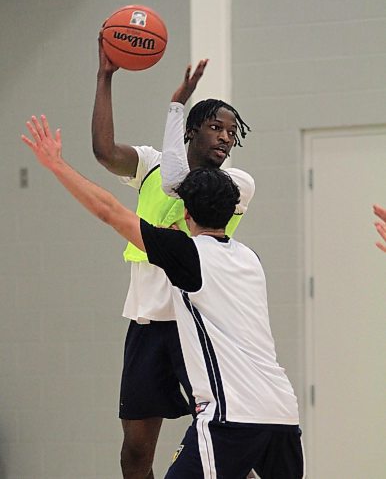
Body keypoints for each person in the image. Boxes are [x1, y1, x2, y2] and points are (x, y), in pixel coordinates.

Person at [21, 117, 304, 478]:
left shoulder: (187, 256)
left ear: (186, 215)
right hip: (282, 411)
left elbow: (109, 210)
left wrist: (57, 164)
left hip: (231, 416)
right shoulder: (251, 259)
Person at [91, 43, 255, 478]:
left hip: (199, 326)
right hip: (147, 323)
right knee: (135, 452)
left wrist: (174, 106)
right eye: (217, 127)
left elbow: (177, 183)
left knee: (234, 438)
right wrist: (105, 76)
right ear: (192, 131)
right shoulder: (150, 164)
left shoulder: (234, 184)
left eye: (232, 132)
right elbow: (104, 151)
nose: (225, 136)